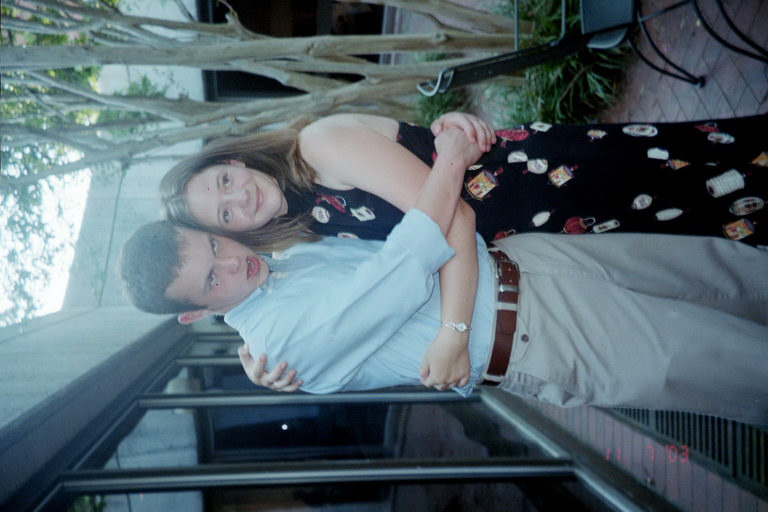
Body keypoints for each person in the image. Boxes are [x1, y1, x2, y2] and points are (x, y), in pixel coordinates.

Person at [122, 128, 768, 424]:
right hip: (538, 336)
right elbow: (408, 263)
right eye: (212, 281)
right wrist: (450, 161)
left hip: (535, 258)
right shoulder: (278, 345)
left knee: (739, 273)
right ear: (195, 313)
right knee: (737, 362)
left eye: (217, 244)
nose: (230, 261)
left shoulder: (289, 258)